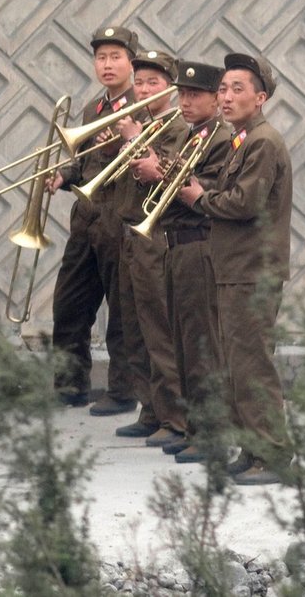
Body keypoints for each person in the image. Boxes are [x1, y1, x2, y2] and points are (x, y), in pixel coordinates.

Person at [178, 54, 292, 485]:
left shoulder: (262, 141)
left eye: (237, 89)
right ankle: (253, 449)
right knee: (238, 364)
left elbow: (244, 203)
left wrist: (197, 198)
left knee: (252, 364)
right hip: (235, 267)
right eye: (223, 89)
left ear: (260, 98)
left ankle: (273, 455)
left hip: (252, 269)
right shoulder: (245, 139)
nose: (226, 96)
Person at [46, 26, 139, 416]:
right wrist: (65, 176)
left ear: (131, 61)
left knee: (121, 309)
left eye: (116, 56)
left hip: (120, 221)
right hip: (86, 219)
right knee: (68, 304)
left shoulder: (143, 108)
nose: (107, 65)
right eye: (101, 58)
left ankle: (121, 391)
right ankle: (69, 386)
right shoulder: (92, 110)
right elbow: (86, 165)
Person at [148, 60, 229, 460]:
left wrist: (163, 173)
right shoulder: (190, 134)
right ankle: (193, 426)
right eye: (181, 94)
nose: (185, 101)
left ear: (216, 98)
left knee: (202, 344)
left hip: (199, 244)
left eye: (194, 95)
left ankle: (211, 433)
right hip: (175, 245)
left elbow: (209, 190)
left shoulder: (221, 138)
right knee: (181, 342)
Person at [111, 50, 187, 442]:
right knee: (134, 328)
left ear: (171, 88)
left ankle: (174, 417)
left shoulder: (177, 126)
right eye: (139, 82)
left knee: (160, 328)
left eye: (152, 82)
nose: (142, 89)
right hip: (129, 233)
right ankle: (150, 407)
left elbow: (161, 173)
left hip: (156, 237)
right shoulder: (139, 123)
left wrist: (134, 141)